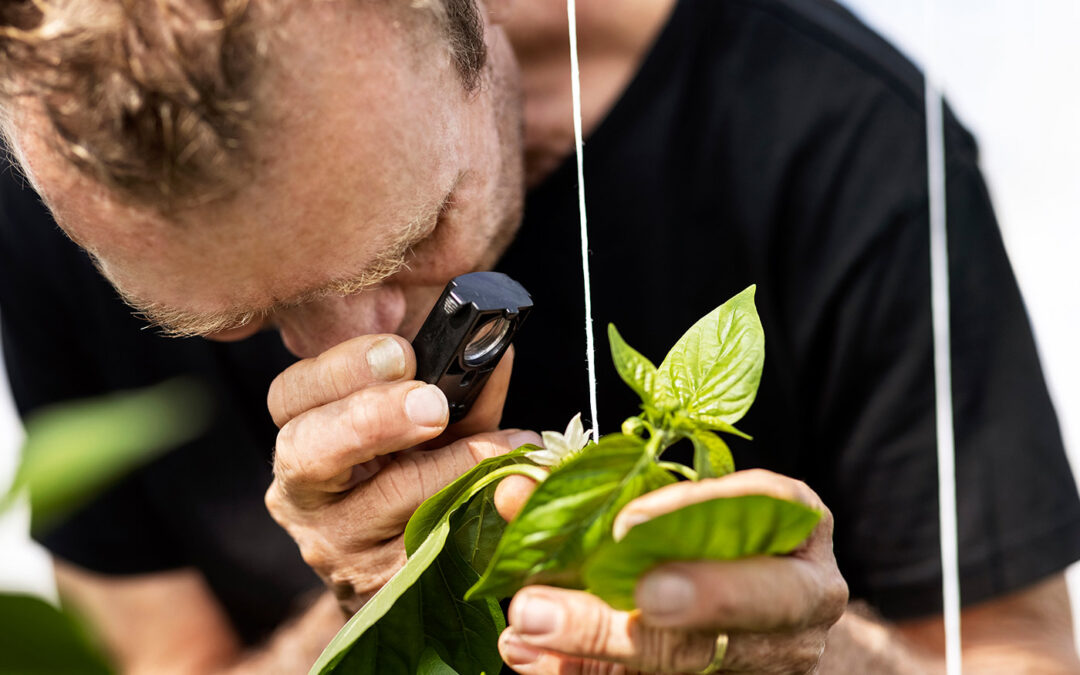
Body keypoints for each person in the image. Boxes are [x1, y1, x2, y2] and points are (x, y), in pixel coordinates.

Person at [1, 0, 1078, 672]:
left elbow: (1020, 652)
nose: (357, 347)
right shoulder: (50, 210)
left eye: (409, 241)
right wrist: (366, 606)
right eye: (234, 318)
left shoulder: (844, 141)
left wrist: (812, 656)